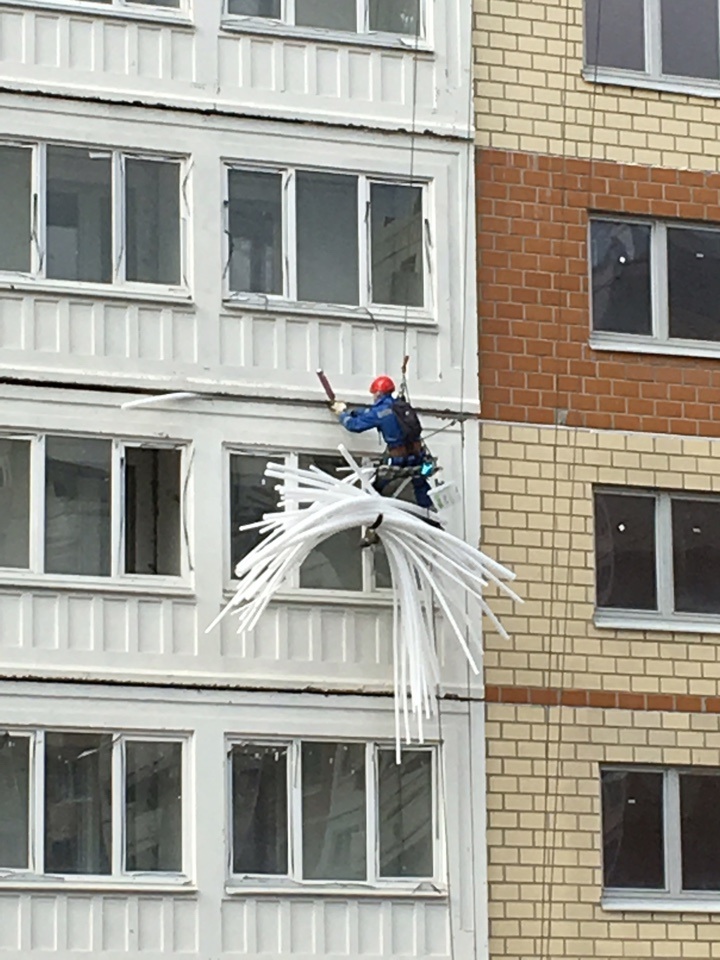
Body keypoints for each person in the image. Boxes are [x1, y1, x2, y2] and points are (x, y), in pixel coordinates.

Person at [330, 375, 434, 511]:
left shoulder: (380, 412)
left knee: (377, 486)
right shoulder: (401, 406)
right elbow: (369, 412)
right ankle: (428, 511)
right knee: (421, 481)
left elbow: (354, 425)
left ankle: (373, 511)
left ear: (378, 393)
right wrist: (353, 412)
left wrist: (342, 414)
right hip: (418, 458)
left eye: (374, 394)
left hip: (397, 460)